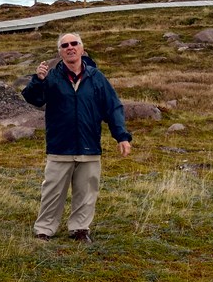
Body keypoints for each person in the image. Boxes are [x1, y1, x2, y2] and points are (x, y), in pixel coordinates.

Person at [21, 32, 132, 242]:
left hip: (89, 146)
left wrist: (122, 136)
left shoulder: (96, 77)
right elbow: (32, 98)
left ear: (82, 48)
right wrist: (38, 80)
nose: (70, 47)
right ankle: (44, 230)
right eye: (65, 45)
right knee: (52, 192)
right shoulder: (51, 77)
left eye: (74, 44)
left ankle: (80, 229)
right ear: (60, 52)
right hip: (59, 147)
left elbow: (113, 107)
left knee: (86, 191)